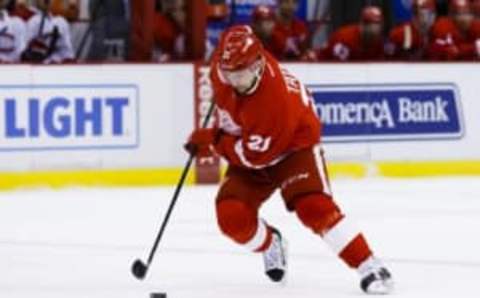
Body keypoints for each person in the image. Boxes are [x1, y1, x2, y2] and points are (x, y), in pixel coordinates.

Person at [185, 25, 394, 295]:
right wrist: (218, 133)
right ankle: (271, 244)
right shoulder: (224, 68)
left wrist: (213, 141)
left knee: (314, 207)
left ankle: (369, 265)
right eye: (229, 73)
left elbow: (254, 157)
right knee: (231, 217)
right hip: (255, 144)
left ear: (258, 65)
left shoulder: (272, 103)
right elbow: (241, 35)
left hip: (294, 147)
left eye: (241, 74)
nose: (234, 80)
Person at [318, 6, 385, 61]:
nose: (374, 28)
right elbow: (337, 68)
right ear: (362, 24)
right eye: (368, 23)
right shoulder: (344, 37)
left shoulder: (378, 41)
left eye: (377, 24)